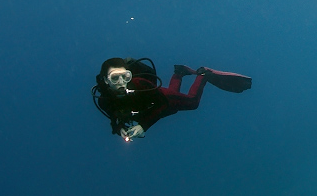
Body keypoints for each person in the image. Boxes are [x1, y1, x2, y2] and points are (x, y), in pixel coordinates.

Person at [93, 57, 251, 141]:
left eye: (125, 76)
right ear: (105, 80)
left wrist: (143, 126)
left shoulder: (140, 84)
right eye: (115, 78)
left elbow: (163, 104)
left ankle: (204, 75)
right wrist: (119, 129)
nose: (122, 82)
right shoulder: (103, 100)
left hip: (163, 99)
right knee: (174, 100)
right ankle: (179, 73)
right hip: (152, 108)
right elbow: (113, 118)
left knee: (192, 102)